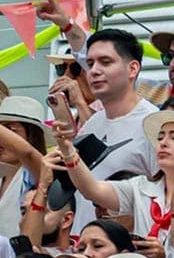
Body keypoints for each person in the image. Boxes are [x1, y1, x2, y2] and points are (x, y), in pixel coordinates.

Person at [66, 29, 161, 227]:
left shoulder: (154, 125)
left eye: (106, 62)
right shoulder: (92, 123)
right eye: (90, 64)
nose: (94, 71)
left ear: (133, 69)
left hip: (129, 251)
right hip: (84, 243)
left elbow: (164, 197)